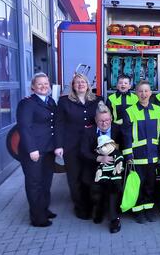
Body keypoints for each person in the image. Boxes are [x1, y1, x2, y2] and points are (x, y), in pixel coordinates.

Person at [17, 73, 63, 227]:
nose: (44, 86)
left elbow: (55, 125)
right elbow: (24, 127)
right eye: (40, 84)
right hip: (34, 151)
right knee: (34, 183)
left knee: (46, 182)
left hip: (48, 149)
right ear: (33, 87)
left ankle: (43, 209)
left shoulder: (50, 101)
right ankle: (37, 218)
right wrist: (32, 149)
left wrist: (57, 145)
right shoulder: (27, 103)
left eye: (46, 84)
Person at [55, 73, 103, 220]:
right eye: (77, 82)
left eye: (83, 82)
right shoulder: (64, 102)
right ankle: (81, 208)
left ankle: (92, 205)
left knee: (89, 177)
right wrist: (59, 146)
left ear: (88, 84)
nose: (80, 84)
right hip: (72, 146)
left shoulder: (97, 100)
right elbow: (59, 124)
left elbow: (104, 120)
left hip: (91, 147)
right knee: (74, 179)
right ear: (73, 86)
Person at [121, 80, 160, 223]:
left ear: (151, 93)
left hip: (153, 155)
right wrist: (128, 155)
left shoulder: (158, 110)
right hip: (137, 156)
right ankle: (138, 211)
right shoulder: (130, 111)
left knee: (150, 185)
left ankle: (149, 209)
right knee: (138, 185)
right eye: (141, 91)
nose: (144, 94)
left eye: (146, 91)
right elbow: (126, 135)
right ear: (136, 93)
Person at [80, 101, 123, 232]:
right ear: (95, 120)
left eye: (107, 120)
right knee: (96, 194)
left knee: (113, 192)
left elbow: (125, 147)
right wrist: (99, 158)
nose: (104, 124)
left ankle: (114, 219)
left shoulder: (118, 129)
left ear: (111, 118)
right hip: (95, 168)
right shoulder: (88, 132)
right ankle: (98, 210)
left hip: (114, 170)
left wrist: (118, 162)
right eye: (101, 121)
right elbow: (83, 151)